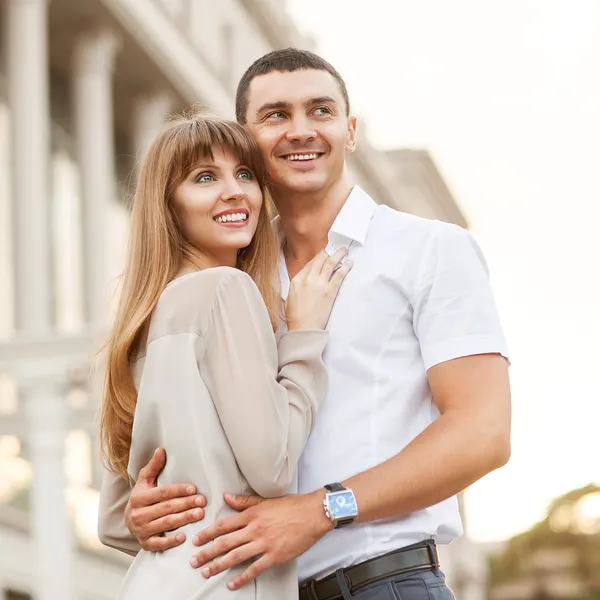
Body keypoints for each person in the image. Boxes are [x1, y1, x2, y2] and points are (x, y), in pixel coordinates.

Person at [99, 49, 512, 600]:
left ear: (350, 131)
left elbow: (482, 434)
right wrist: (141, 514)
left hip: (384, 583)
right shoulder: (234, 271)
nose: (301, 131)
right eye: (275, 116)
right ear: (248, 137)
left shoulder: (429, 249)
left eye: (320, 111)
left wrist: (322, 509)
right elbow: (163, 462)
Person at [98, 112, 352, 600]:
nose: (235, 192)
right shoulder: (225, 290)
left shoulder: (136, 326)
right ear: (168, 205)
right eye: (205, 177)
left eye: (246, 175)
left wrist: (145, 515)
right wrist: (304, 334)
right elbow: (273, 469)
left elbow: (114, 520)